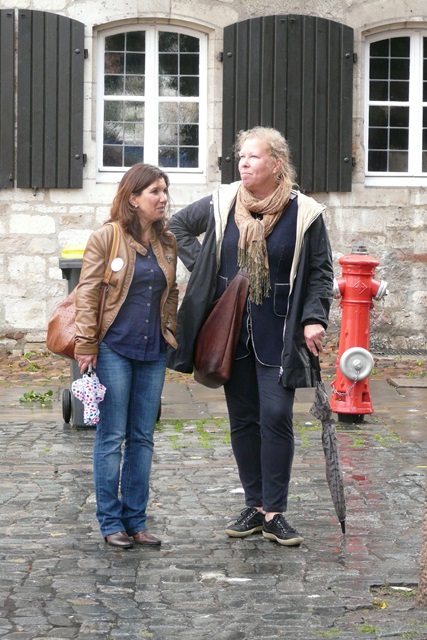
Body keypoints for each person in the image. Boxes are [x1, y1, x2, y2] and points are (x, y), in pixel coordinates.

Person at [167, 126, 333, 546]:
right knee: (242, 420)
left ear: (276, 163)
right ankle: (255, 506)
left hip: (280, 331)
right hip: (230, 331)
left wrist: (314, 318)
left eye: (253, 156)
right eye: (241, 156)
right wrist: (204, 266)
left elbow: (320, 272)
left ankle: (275, 512)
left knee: (275, 416)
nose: (243, 163)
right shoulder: (224, 201)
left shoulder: (305, 212)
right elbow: (176, 227)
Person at [74, 163, 178, 549]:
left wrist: (171, 333)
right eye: (154, 191)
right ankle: (110, 522)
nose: (163, 198)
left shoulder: (167, 241)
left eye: (164, 190)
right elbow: (87, 292)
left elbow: (171, 292)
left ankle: (136, 521)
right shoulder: (107, 237)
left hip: (153, 352)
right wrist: (86, 343)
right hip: (113, 348)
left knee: (142, 437)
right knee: (112, 435)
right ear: (133, 198)